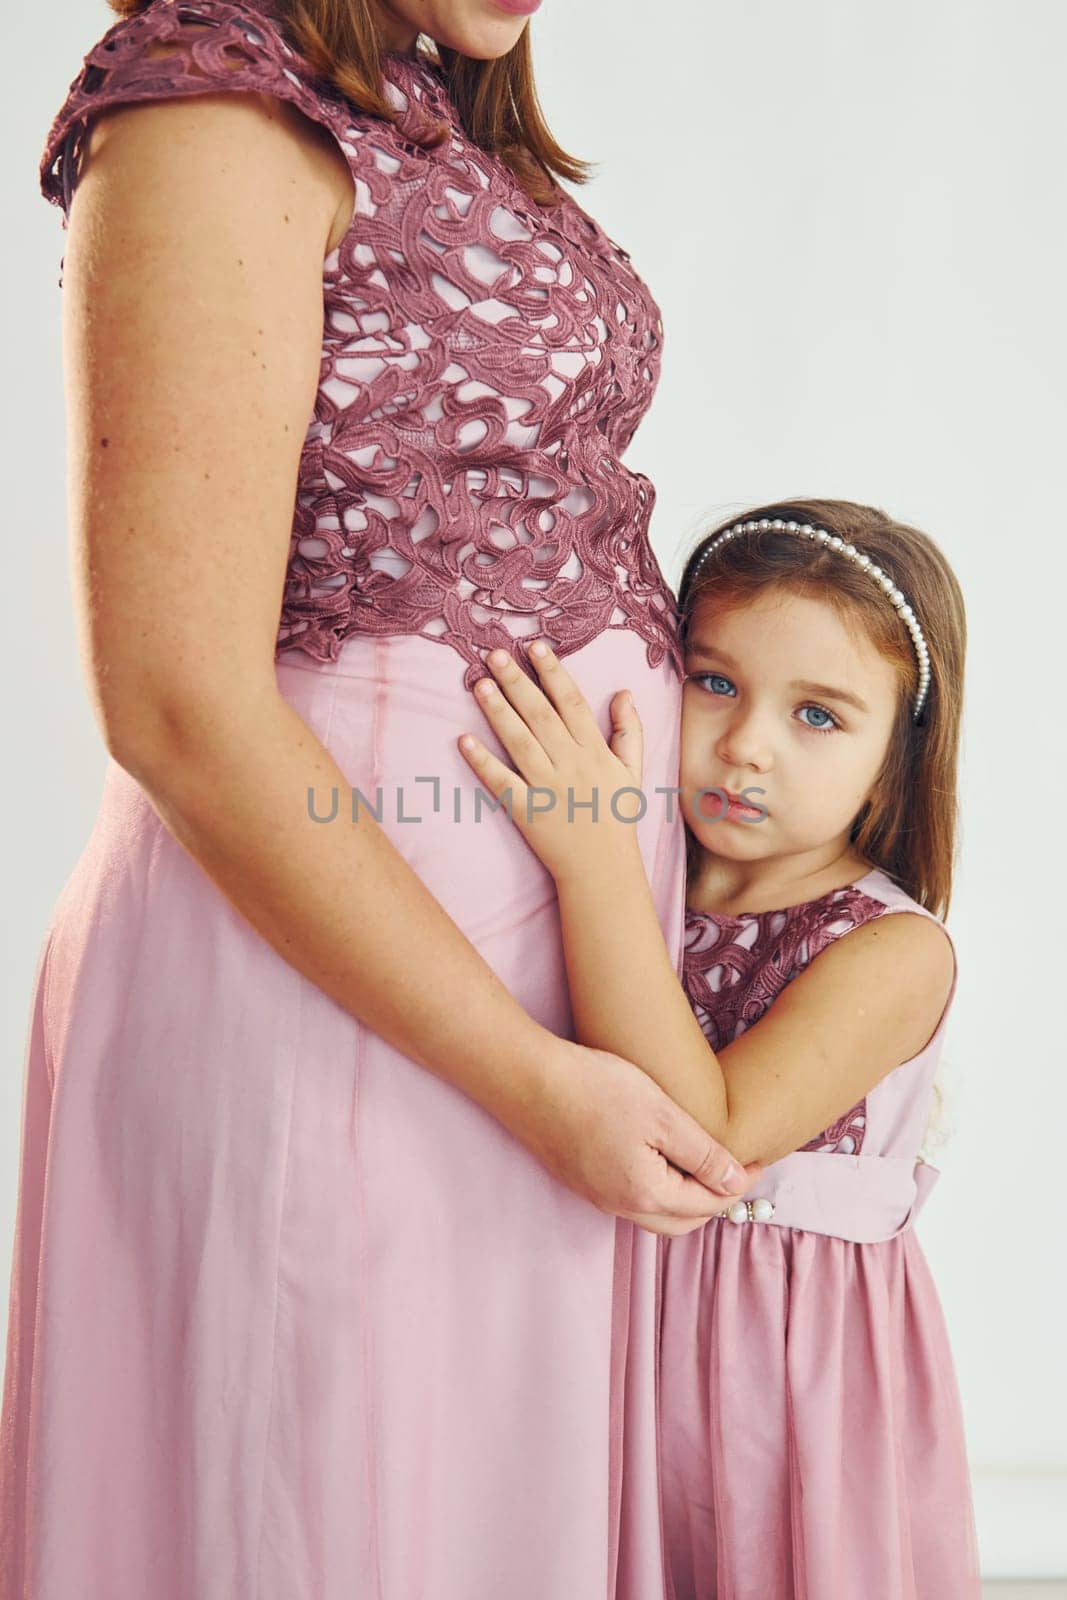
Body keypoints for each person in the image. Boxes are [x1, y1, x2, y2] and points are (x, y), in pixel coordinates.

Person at [0, 2, 759, 1595]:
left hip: (516, 1000)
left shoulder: (421, 103)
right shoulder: (211, 107)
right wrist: (534, 1080)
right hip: (348, 995)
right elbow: (177, 703)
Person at [456, 496, 983, 1596]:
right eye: (715, 682)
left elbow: (708, 1133)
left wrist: (590, 863)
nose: (745, 745)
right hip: (607, 1322)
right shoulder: (649, 886)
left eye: (818, 716)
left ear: (897, 759)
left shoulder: (893, 951)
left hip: (780, 1367)